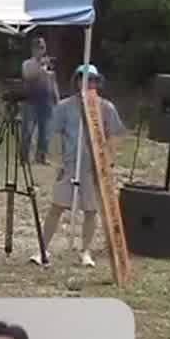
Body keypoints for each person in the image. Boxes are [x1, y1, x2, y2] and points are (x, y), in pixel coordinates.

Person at [32, 65, 124, 269]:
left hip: (93, 167)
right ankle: (43, 249)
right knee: (56, 207)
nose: (88, 83)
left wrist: (106, 160)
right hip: (70, 164)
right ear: (76, 81)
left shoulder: (106, 107)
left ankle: (86, 251)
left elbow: (115, 135)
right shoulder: (64, 106)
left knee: (91, 210)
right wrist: (58, 160)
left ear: (97, 82)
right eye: (83, 79)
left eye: (92, 79)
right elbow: (53, 134)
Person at [21, 35, 57, 166]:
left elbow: (53, 81)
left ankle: (41, 156)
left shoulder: (48, 64)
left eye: (43, 47)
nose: (41, 50)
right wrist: (40, 65)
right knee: (28, 131)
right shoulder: (28, 63)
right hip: (31, 101)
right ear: (33, 49)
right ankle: (25, 157)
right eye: (39, 48)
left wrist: (56, 98)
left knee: (46, 131)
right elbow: (28, 75)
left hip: (46, 101)